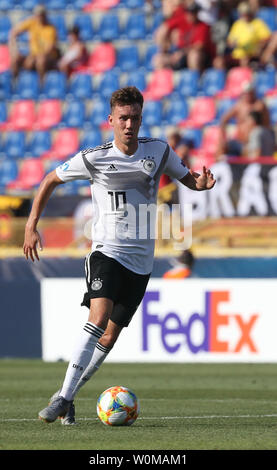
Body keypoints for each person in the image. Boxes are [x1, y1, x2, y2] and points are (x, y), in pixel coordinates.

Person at [23, 86, 216, 425]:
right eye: (123, 118)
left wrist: (200, 183)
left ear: (141, 119)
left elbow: (189, 180)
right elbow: (50, 179)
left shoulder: (158, 151)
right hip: (107, 252)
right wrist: (31, 225)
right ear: (111, 120)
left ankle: (70, 397)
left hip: (142, 262)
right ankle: (62, 397)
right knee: (98, 320)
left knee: (110, 336)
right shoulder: (93, 158)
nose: (129, 124)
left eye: (135, 118)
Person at [154, 2, 215, 71]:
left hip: (198, 56)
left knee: (194, 56)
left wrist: (181, 53)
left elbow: (199, 46)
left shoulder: (203, 26)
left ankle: (193, 79)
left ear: (197, 13)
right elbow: (164, 29)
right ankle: (163, 80)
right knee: (159, 59)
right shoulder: (182, 20)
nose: (191, 15)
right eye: (189, 12)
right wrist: (164, 49)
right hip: (179, 52)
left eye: (193, 12)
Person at [217, 82, 271, 157]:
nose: (248, 95)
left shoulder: (259, 105)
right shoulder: (239, 106)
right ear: (243, 93)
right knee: (222, 146)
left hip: (253, 143)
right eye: (246, 93)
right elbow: (224, 119)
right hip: (239, 141)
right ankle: (218, 167)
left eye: (250, 92)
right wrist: (223, 137)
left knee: (251, 150)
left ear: (253, 92)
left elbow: (267, 123)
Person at [9, 5, 60, 82]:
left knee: (40, 60)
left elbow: (48, 50)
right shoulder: (32, 22)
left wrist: (34, 57)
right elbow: (13, 32)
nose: (39, 17)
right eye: (38, 15)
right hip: (33, 55)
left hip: (47, 57)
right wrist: (14, 48)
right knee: (15, 59)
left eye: (41, 15)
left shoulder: (51, 29)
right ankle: (15, 83)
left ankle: (42, 84)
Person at [226, 2, 271, 67]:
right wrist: (233, 43)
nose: (245, 16)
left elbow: (266, 38)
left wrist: (257, 47)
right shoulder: (237, 24)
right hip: (237, 56)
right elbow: (229, 41)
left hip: (252, 56)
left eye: (246, 13)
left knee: (246, 61)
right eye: (242, 14)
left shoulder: (257, 23)